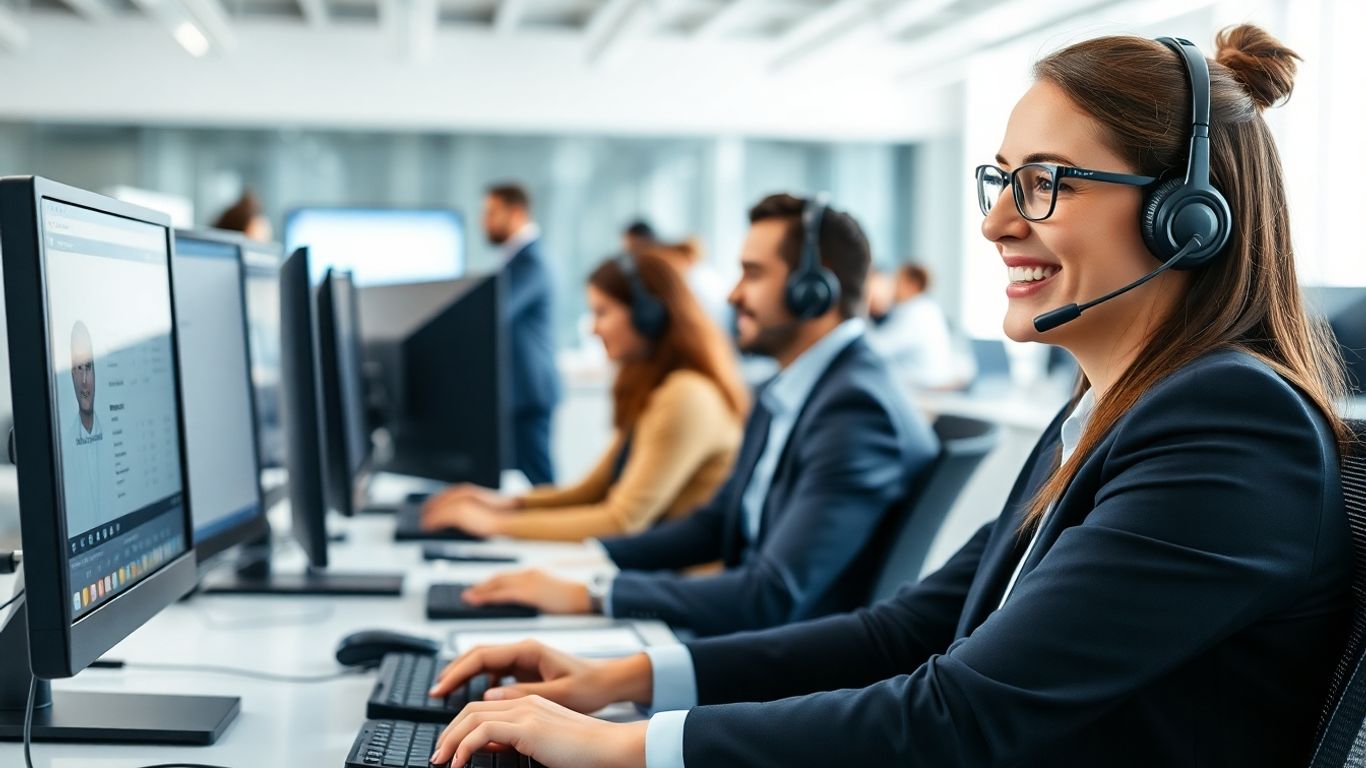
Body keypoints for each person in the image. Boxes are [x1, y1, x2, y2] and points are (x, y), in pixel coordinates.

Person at [426, 26, 1354, 768]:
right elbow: (910, 631)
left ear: (1184, 221)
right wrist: (613, 680)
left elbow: (963, 714)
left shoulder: (1230, 430)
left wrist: (626, 747)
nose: (995, 223)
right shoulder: (1108, 416)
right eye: (1000, 180)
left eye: (1042, 184)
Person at [454, 193, 938, 636]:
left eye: (752, 273)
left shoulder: (856, 410)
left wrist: (592, 593)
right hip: (743, 638)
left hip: (782, 676)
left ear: (813, 288)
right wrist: (590, 563)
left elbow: (772, 597)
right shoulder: (789, 391)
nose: (732, 295)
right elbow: (716, 524)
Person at [420, 253, 748, 541]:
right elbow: (593, 490)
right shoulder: (657, 387)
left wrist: (496, 524)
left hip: (682, 588)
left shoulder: (686, 396)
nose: (593, 329)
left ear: (648, 316)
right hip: (657, 577)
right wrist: (506, 503)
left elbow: (622, 521)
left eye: (602, 312)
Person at [484, 182, 562, 486]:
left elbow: (494, 312)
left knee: (541, 483)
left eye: (491, 213)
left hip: (529, 391)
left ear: (516, 213)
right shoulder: (517, 258)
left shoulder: (532, 260)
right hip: (520, 391)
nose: (484, 222)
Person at [866, 263, 962, 389]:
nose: (893, 286)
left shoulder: (915, 313)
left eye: (897, 281)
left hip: (923, 389)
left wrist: (865, 308)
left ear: (912, 285)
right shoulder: (926, 308)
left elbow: (875, 348)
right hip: (925, 384)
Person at [64, 321, 112, 535]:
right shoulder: (63, 448)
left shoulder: (115, 440)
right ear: (72, 375)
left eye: (89, 368)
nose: (84, 382)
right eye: (78, 368)